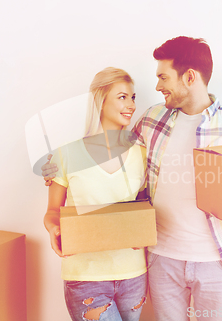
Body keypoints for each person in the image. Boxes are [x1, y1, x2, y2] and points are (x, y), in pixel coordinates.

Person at [43, 37, 222, 321]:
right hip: (161, 260)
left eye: (163, 77)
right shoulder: (152, 120)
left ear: (189, 77)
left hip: (216, 261)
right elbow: (111, 152)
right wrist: (58, 165)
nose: (157, 86)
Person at [44, 67, 148, 321]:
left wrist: (144, 231)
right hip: (85, 278)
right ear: (100, 101)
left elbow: (146, 207)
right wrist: (54, 229)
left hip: (133, 274)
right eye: (122, 97)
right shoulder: (66, 154)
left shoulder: (142, 154)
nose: (131, 105)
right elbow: (52, 212)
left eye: (133, 98)